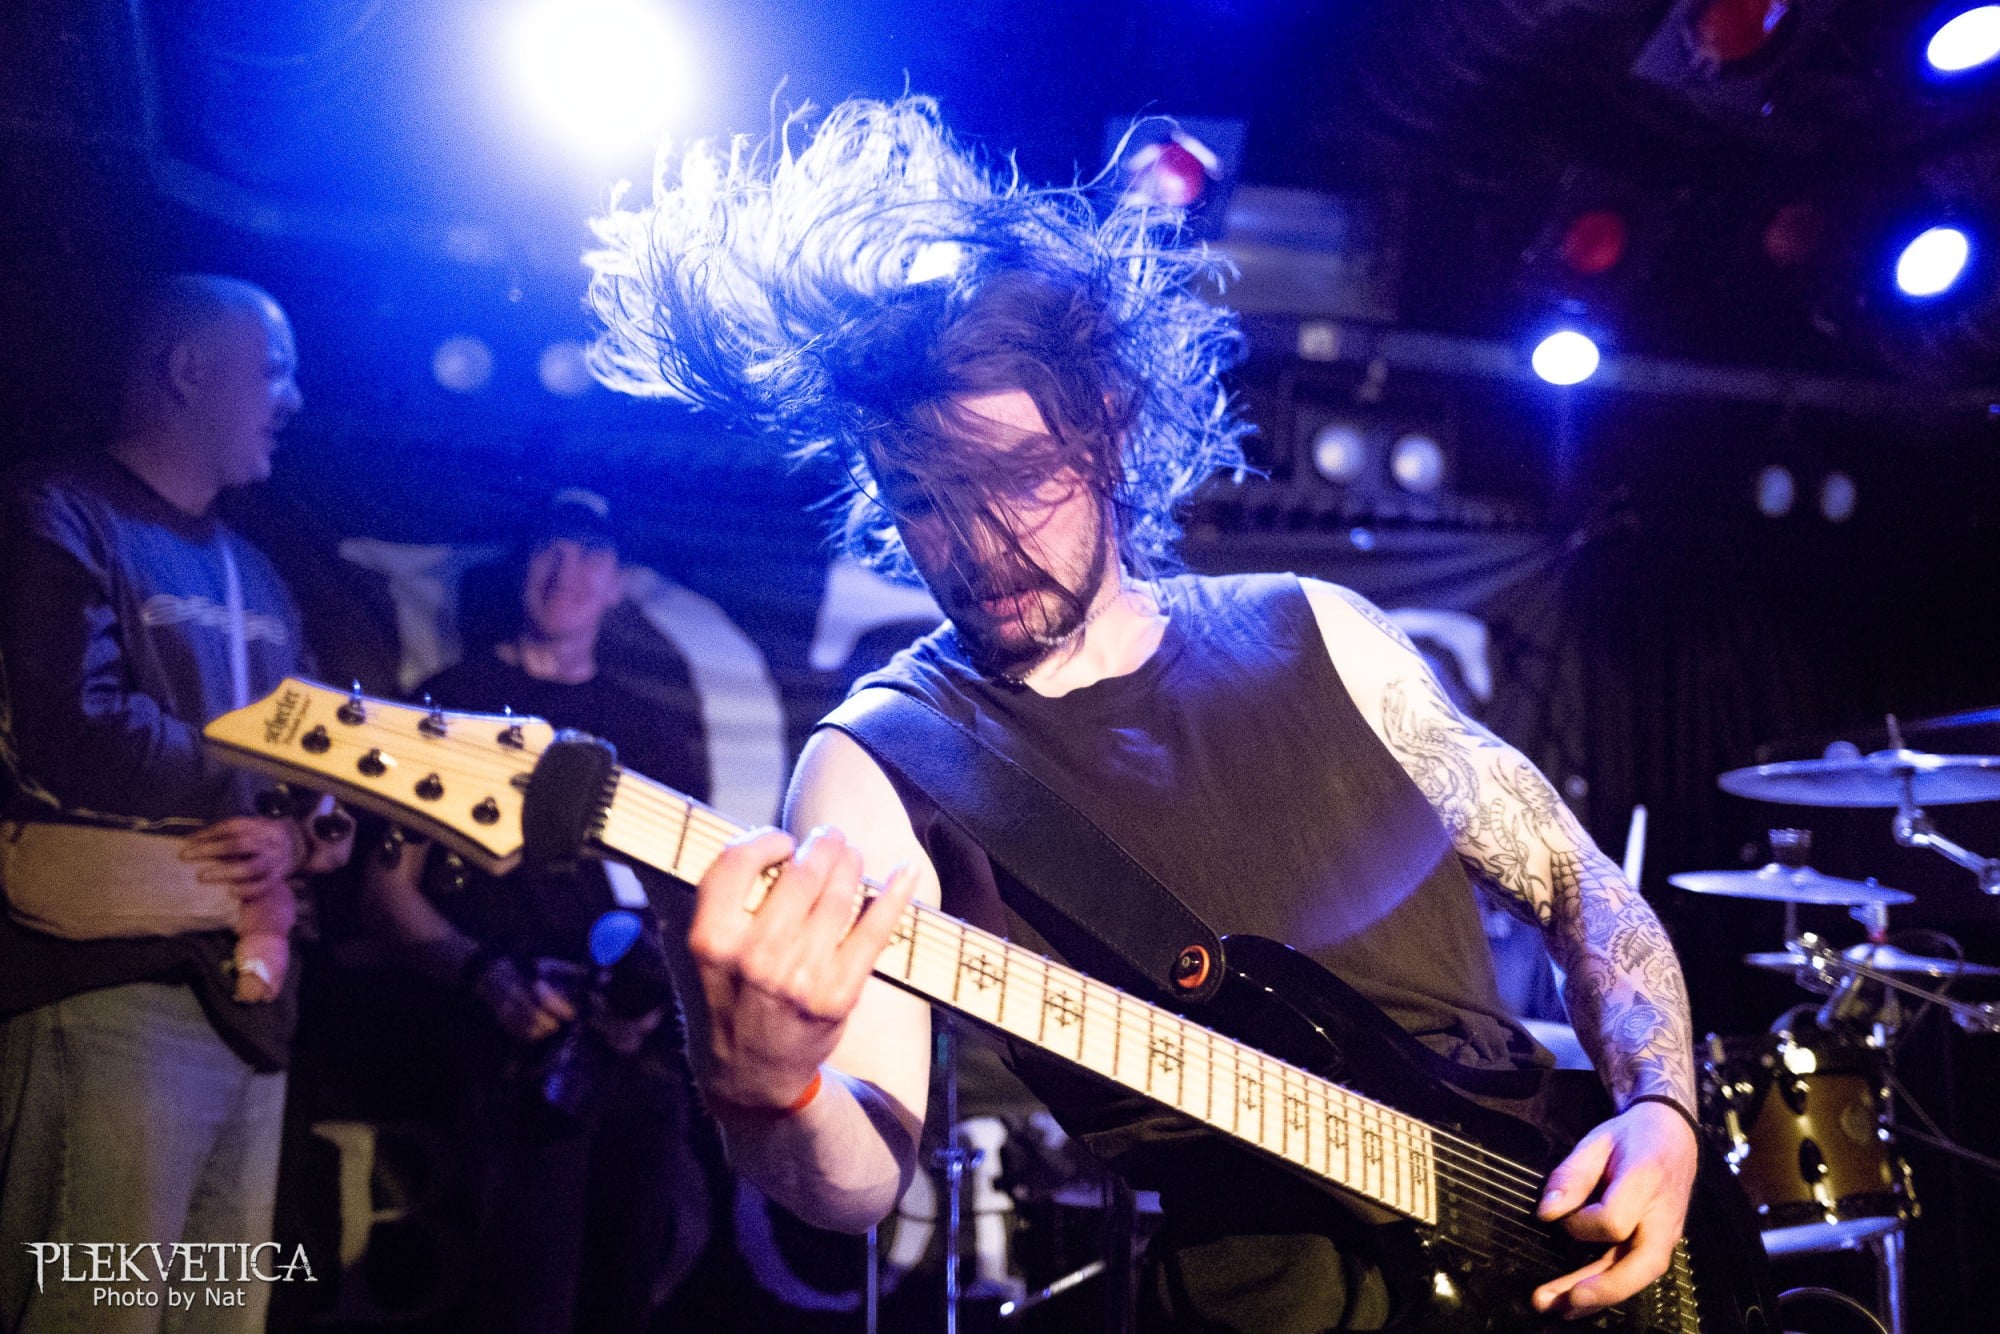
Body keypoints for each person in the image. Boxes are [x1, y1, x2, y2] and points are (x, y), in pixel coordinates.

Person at [587, 99, 1700, 1328]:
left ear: (1109, 432)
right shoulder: (879, 759)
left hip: (1554, 1236)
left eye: (1017, 476)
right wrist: (768, 1090)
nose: (977, 545)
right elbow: (860, 1175)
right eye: (924, 498)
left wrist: (1660, 1108)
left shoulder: (1315, 628)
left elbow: (1579, 887)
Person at [0, 274, 350, 1332]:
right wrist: (263, 802)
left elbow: (325, 781)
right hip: (104, 990)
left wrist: (310, 835)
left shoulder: (260, 573)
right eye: (274, 370)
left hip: (252, 1018)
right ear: (190, 370)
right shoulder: (55, 511)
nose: (293, 399)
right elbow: (75, 732)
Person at [360, 490, 710, 1333]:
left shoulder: (653, 730)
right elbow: (384, 890)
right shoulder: (449, 704)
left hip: (635, 1060)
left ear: (619, 581)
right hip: (505, 1059)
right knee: (525, 1305)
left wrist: (647, 1001)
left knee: (625, 1304)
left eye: (591, 552)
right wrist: (488, 978)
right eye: (552, 546)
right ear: (523, 561)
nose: (567, 571)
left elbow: (696, 904)